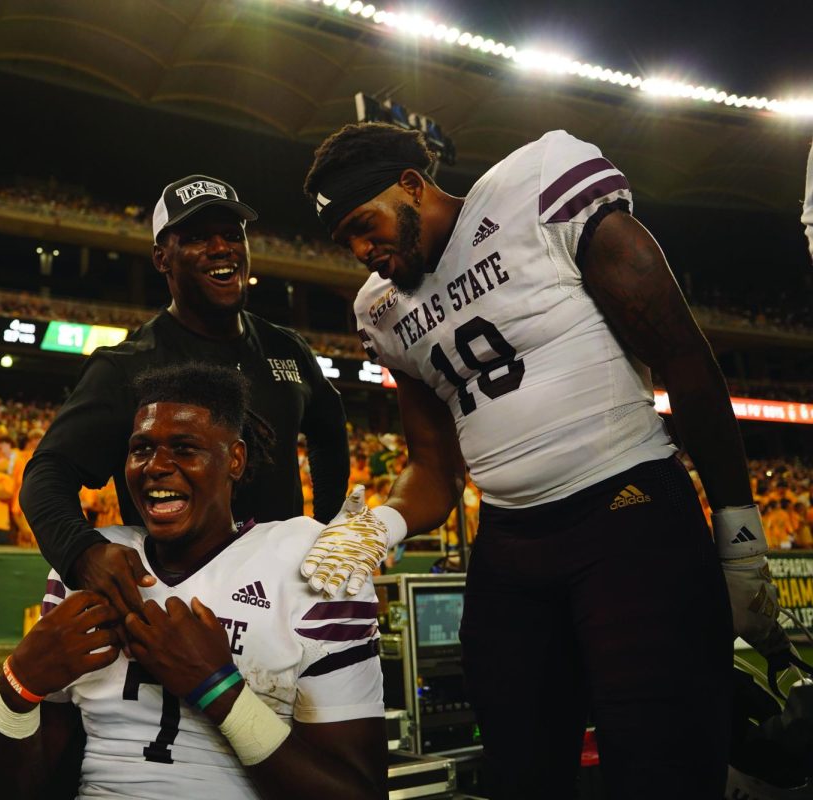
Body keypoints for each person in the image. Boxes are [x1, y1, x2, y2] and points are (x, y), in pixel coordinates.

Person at [300, 123, 811, 798]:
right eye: (347, 242)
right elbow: (433, 468)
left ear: (413, 187)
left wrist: (740, 534)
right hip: (512, 546)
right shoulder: (383, 310)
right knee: (519, 768)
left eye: (365, 226)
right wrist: (373, 532)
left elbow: (683, 358)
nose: (364, 254)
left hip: (628, 514)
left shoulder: (538, 187)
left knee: (661, 767)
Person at [0, 364, 386, 800]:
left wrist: (218, 689)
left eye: (185, 448)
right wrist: (17, 685)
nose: (157, 466)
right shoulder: (90, 567)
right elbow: (13, 792)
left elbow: (359, 792)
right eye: (141, 449)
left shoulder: (310, 561)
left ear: (236, 459)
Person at [21, 174, 350, 618]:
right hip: (176, 606)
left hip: (282, 601)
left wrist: (327, 527)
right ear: (162, 258)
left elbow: (329, 431)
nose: (221, 248)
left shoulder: (287, 348)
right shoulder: (127, 365)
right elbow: (47, 474)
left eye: (233, 236)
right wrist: (81, 552)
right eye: (197, 238)